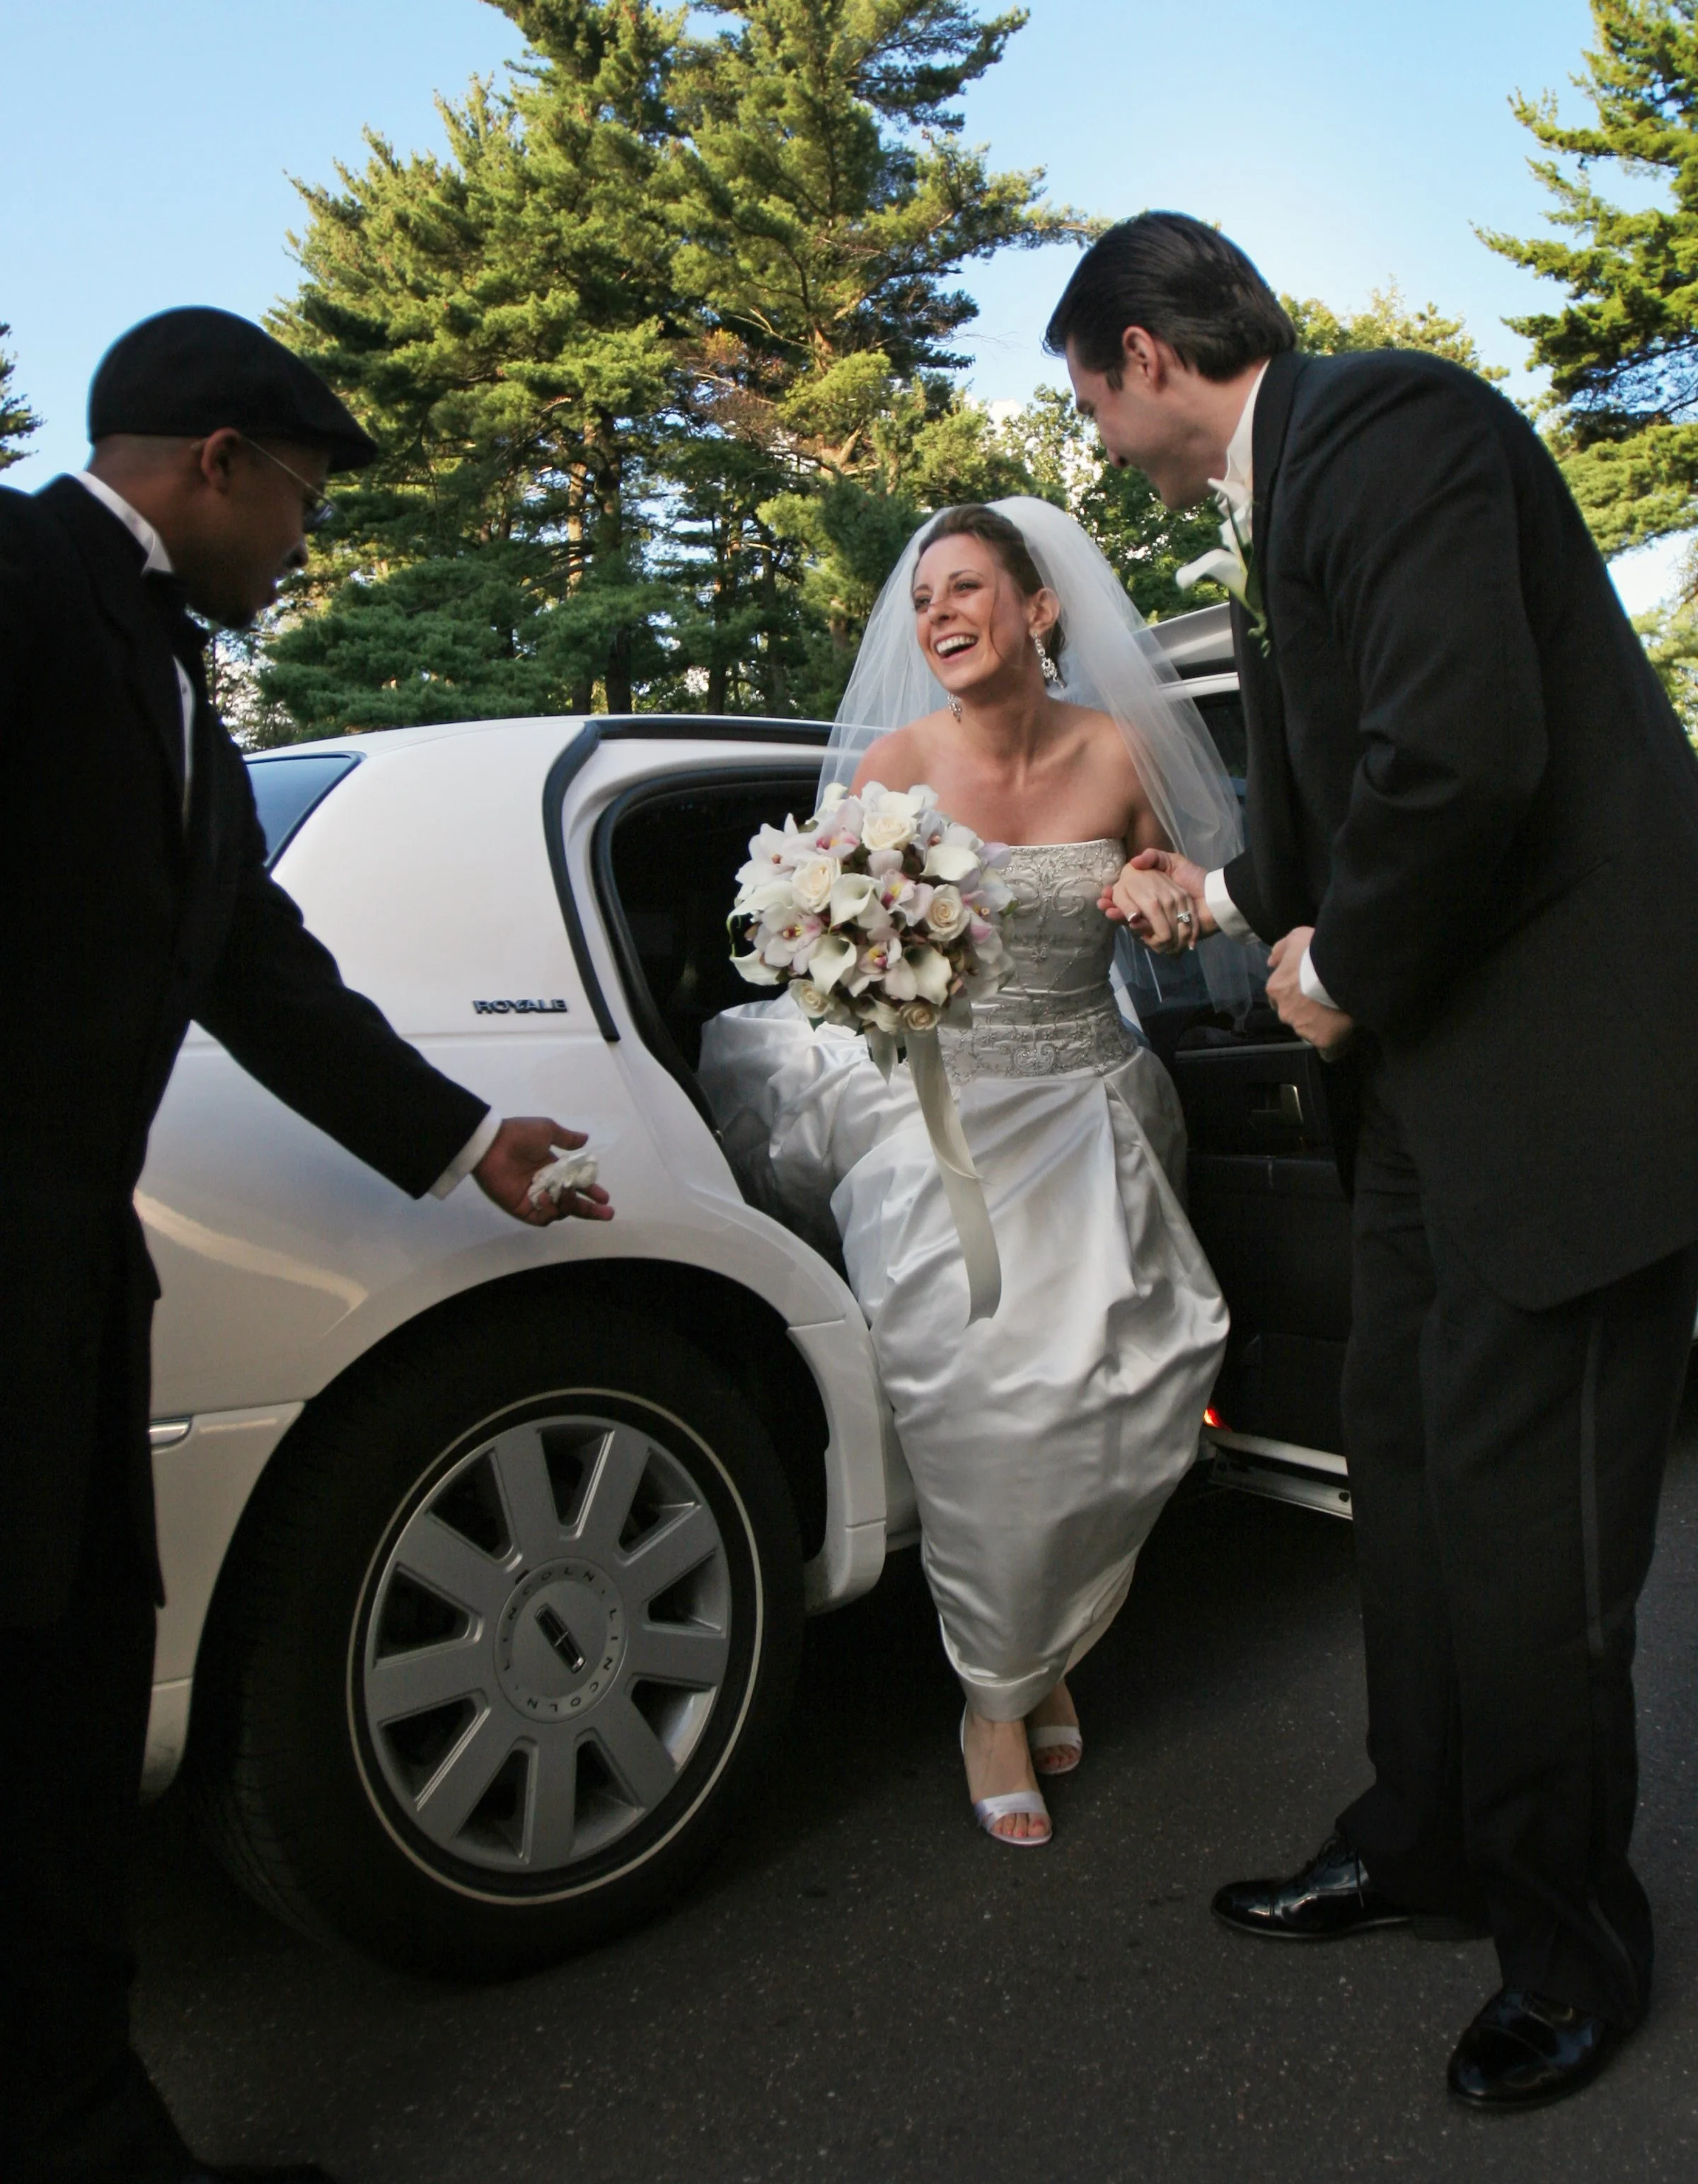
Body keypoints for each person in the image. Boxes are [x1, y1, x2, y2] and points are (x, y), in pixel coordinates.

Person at [1044, 210, 1698, 2112]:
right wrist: (1236, 896)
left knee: (1540, 1557)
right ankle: (1422, 1843)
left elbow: (1463, 758)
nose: (1097, 443)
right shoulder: (1288, 504)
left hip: (1557, 1100)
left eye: (1091, 397)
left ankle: (1572, 1947)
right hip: (1429, 1105)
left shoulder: (1394, 429)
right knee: (1408, 1493)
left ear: (1150, 354)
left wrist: (1342, 969)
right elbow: (1334, 796)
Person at [0, 307, 614, 2184]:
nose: (301, 545)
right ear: (215, 464)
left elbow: (259, 973)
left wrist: (462, 1141)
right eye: (300, 502)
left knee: (67, 1723)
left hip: (79, 1290)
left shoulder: (182, 685)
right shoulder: (22, 588)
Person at [700, 497, 1237, 1846]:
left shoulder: (1120, 753)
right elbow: (827, 946)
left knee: (1130, 1387)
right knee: (983, 1413)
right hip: (941, 1127)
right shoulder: (892, 759)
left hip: (1097, 1111)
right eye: (925, 595)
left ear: (1039, 609)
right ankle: (994, 1696)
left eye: (967, 589)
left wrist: (1164, 890)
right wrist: (873, 963)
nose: (937, 614)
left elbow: (1194, 904)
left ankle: (1039, 1648)